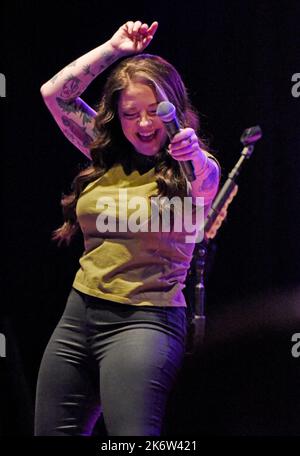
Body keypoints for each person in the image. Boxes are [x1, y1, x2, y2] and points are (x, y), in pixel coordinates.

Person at [35, 20, 220, 436]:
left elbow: (207, 182)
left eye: (154, 111)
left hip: (145, 322)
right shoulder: (105, 154)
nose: (142, 124)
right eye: (129, 113)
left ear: (172, 107)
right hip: (78, 315)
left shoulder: (191, 169)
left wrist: (190, 150)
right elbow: (53, 94)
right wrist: (115, 49)